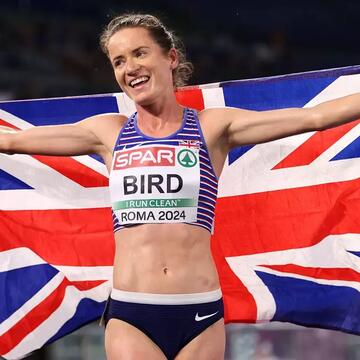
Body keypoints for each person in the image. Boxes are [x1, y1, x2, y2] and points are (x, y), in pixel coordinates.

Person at [1, 13, 360, 360]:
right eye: (119, 61)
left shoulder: (212, 127)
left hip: (200, 312)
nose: (130, 68)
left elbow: (314, 117)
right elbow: (15, 142)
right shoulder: (108, 132)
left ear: (170, 58)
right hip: (131, 312)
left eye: (140, 53)